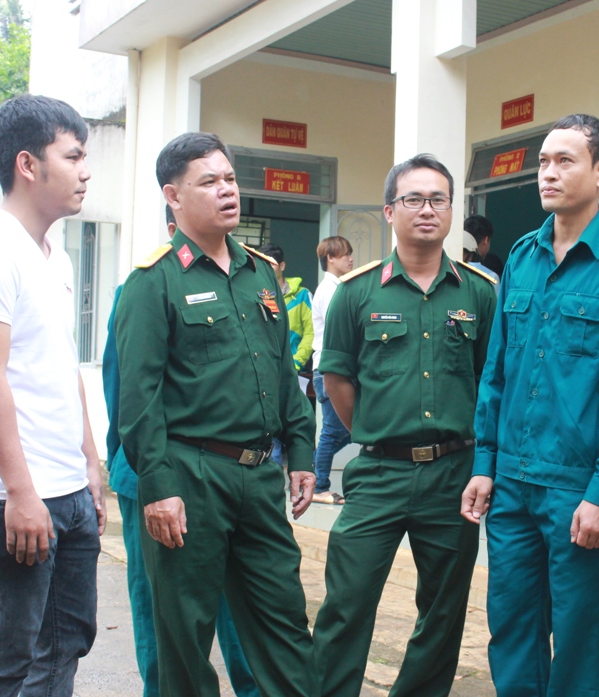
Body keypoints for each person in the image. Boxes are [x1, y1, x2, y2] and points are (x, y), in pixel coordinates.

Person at [461, 114, 599, 696]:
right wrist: (484, 464)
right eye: (543, 162)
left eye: (564, 161)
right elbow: (496, 371)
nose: (547, 173)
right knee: (512, 628)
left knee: (581, 638)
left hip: (578, 489)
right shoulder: (522, 257)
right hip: (512, 484)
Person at [115, 131, 318, 697]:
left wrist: (302, 452)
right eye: (209, 181)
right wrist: (158, 487)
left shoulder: (261, 274)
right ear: (173, 196)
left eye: (230, 178)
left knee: (286, 625)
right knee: (185, 641)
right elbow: (138, 399)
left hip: (258, 476)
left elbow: (283, 374)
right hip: (190, 477)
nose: (227, 190)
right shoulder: (153, 282)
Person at [313, 153, 497, 697]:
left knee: (443, 612)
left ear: (451, 211)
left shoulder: (479, 292)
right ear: (390, 211)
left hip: (453, 474)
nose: (427, 209)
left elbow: (490, 380)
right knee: (346, 604)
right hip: (379, 473)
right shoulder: (357, 292)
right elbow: (337, 379)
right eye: (414, 199)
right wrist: (376, 430)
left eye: (438, 199)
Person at [0, 94, 106, 696]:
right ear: (28, 164)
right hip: (7, 497)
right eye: (74, 156)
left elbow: (61, 368)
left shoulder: (54, 255)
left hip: (66, 490)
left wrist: (90, 463)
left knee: (64, 646)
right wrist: (19, 492)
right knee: (3, 664)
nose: (85, 171)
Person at [100, 204, 259, 697]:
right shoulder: (145, 287)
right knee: (164, 620)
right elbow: (124, 391)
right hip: (159, 477)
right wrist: (136, 471)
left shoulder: (252, 282)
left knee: (249, 615)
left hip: (231, 476)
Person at [310, 235, 355, 505]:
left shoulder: (337, 287)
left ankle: (314, 471)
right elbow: (340, 329)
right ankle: (319, 486)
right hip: (329, 370)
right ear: (330, 258)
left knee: (348, 429)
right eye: (345, 254)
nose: (351, 258)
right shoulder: (329, 290)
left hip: (333, 369)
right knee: (333, 430)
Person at [259, 242, 314, 372]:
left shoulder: (302, 295)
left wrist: (296, 362)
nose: (266, 268)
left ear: (282, 266)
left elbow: (311, 333)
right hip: (264, 368)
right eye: (262, 264)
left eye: (271, 264)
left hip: (294, 368)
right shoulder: (256, 295)